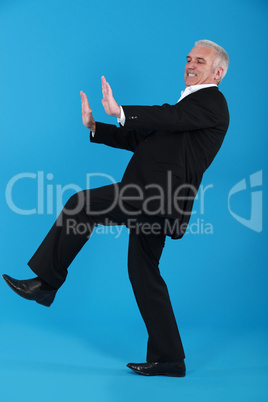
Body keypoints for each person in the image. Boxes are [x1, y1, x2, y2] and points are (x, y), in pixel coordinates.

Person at [2, 39, 229, 377]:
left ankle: (47, 282)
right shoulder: (186, 110)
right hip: (155, 199)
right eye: (188, 59)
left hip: (153, 195)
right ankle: (170, 359)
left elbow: (168, 117)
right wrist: (97, 128)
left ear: (218, 72)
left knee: (80, 205)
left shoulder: (212, 102)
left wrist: (122, 111)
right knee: (144, 274)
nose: (190, 65)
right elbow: (142, 138)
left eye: (199, 61)